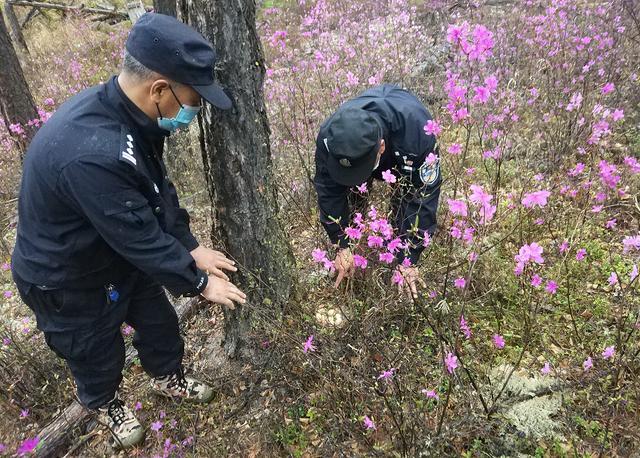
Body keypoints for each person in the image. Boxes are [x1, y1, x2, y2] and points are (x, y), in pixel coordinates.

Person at [11, 13, 246, 449]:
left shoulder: (133, 116)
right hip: (65, 277)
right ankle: (105, 402)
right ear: (159, 89)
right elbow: (136, 235)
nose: (193, 112)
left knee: (159, 324)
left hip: (114, 253)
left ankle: (167, 376)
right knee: (95, 351)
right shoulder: (91, 152)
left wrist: (189, 246)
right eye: (192, 100)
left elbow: (156, 191)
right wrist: (196, 281)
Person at [314, 84, 442, 299]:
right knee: (354, 202)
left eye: (359, 171)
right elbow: (329, 189)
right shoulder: (331, 137)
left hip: (403, 148)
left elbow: (423, 195)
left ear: (381, 147)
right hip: (365, 149)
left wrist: (408, 257)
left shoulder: (419, 134)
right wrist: (342, 243)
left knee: (403, 202)